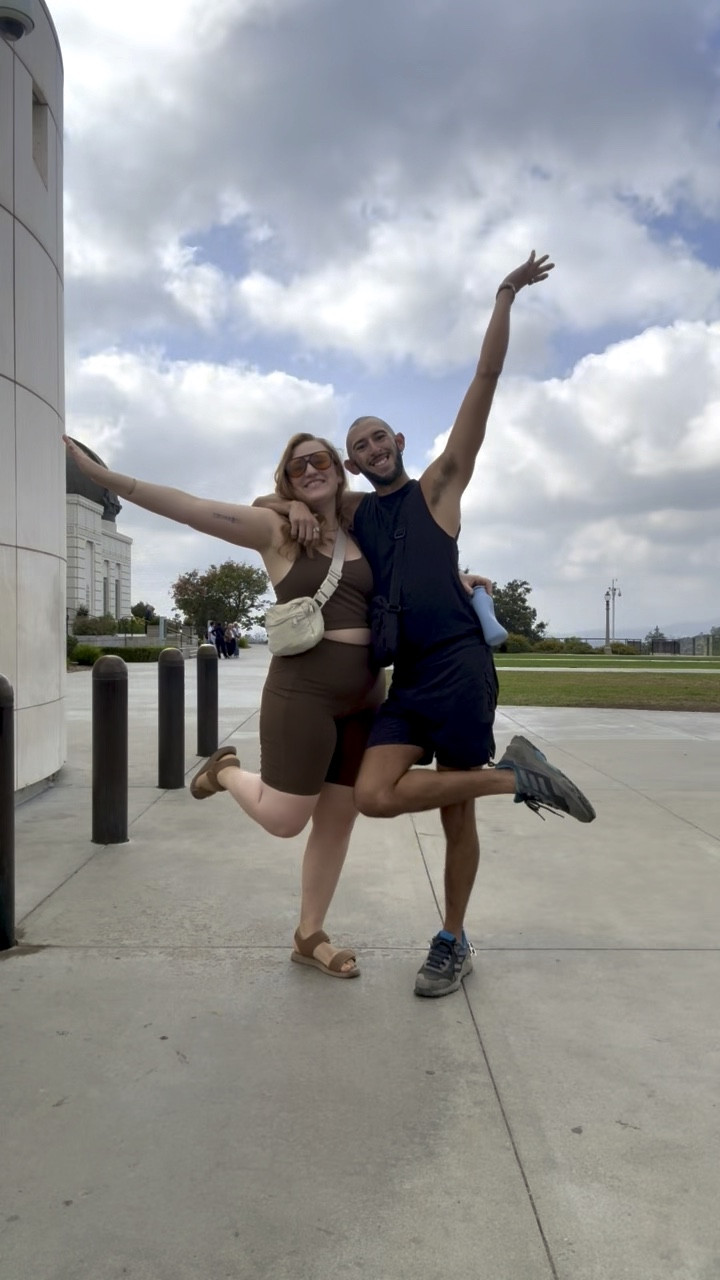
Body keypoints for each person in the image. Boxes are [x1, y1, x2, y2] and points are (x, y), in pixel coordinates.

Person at [262, 251, 596, 999]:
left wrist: (505, 296)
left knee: (453, 810)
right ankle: (518, 776)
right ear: (350, 463)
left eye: (382, 438)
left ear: (400, 443)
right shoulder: (353, 512)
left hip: (458, 665)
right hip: (404, 679)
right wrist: (281, 503)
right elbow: (284, 494)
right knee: (377, 794)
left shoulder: (439, 486)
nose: (374, 450)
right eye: (361, 448)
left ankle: (452, 939)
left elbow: (484, 385)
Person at [62, 431, 385, 979]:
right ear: (286, 478)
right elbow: (192, 509)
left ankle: (310, 936)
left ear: (338, 467)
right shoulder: (276, 529)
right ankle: (227, 770)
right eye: (296, 466)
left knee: (337, 823)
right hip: (302, 696)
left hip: (366, 697)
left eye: (320, 460)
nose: (310, 469)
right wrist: (111, 481)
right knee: (286, 820)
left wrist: (460, 578)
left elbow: (416, 558)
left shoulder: (363, 525)